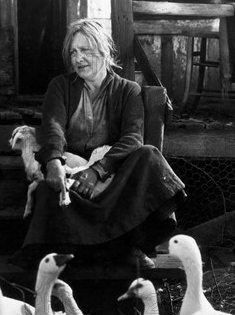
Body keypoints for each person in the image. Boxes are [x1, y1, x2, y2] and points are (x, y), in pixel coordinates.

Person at [11, 19, 186, 273]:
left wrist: (97, 171)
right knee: (51, 188)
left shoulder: (128, 90)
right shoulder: (60, 87)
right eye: (73, 52)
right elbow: (53, 129)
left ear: (104, 52)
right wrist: (54, 163)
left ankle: (130, 247)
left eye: (86, 50)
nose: (78, 58)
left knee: (148, 154)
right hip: (73, 172)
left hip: (110, 171)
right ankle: (83, 252)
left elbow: (132, 138)